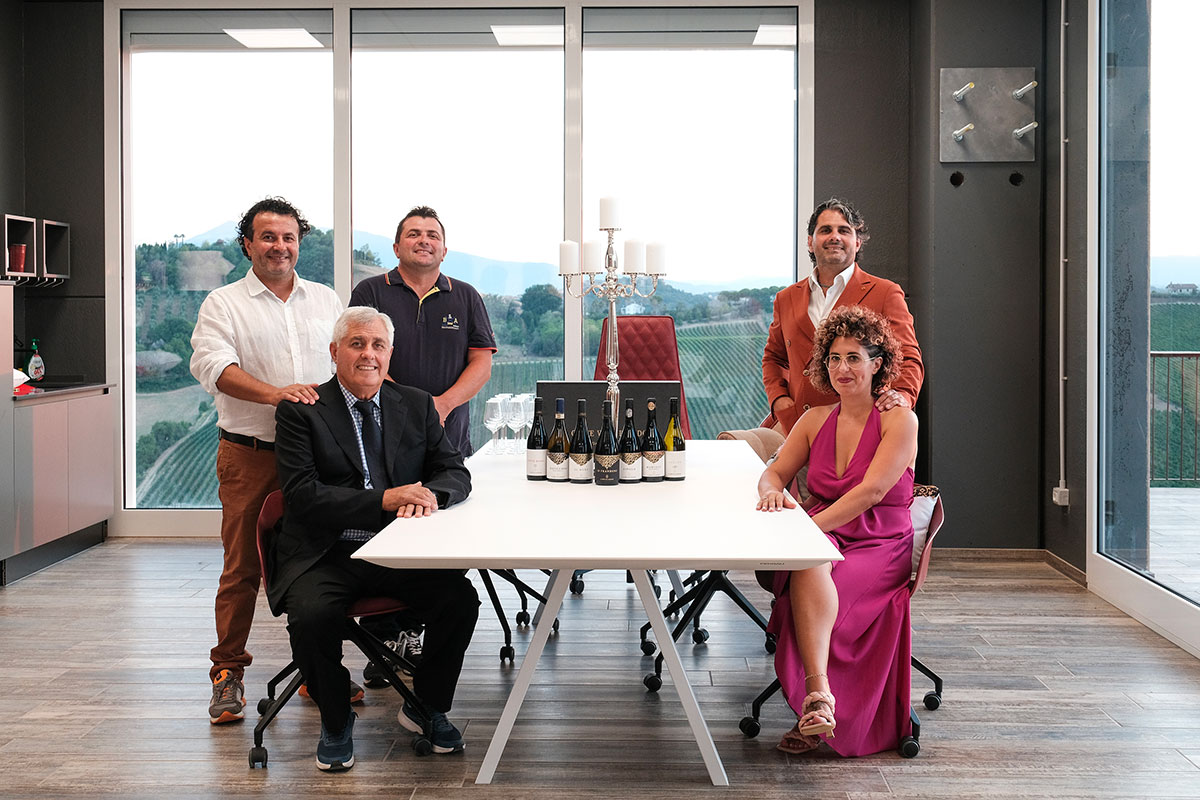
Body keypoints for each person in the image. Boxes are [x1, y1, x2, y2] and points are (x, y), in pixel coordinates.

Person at [269, 306, 479, 771]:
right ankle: (335, 719)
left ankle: (425, 705)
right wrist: (384, 499)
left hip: (398, 551)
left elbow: (454, 471)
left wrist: (431, 495)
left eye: (378, 345)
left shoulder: (416, 404)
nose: (369, 354)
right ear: (334, 352)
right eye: (357, 344)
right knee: (311, 615)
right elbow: (302, 496)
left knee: (460, 600)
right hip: (328, 551)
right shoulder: (301, 411)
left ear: (390, 354)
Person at [190, 196, 344, 724]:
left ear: (300, 243)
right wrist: (277, 395)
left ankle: (319, 671)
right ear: (248, 244)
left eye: (288, 237)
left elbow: (347, 363)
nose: (280, 246)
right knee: (242, 567)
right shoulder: (223, 303)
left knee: (324, 560)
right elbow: (214, 368)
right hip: (250, 454)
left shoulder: (326, 299)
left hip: (318, 457)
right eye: (269, 237)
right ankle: (227, 671)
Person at [756, 305, 919, 757]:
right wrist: (771, 491)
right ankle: (819, 699)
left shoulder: (900, 419)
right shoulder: (813, 419)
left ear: (877, 364)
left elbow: (871, 492)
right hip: (827, 532)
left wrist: (806, 528)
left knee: (813, 570)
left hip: (880, 541)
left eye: (853, 358)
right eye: (833, 358)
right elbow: (774, 472)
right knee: (811, 562)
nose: (842, 368)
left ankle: (819, 707)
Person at [348, 205, 496, 686]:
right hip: (378, 437)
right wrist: (408, 406)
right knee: (386, 533)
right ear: (396, 247)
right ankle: (383, 638)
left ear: (444, 248)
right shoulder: (370, 292)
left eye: (432, 234)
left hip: (447, 439)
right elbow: (362, 355)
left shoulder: (465, 295)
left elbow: (481, 361)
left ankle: (415, 630)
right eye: (413, 233)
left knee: (439, 536)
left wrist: (443, 405)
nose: (423, 240)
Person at [762, 198, 923, 434]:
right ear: (810, 242)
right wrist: (779, 400)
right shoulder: (785, 298)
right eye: (825, 230)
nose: (834, 237)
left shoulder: (886, 292)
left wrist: (902, 396)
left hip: (860, 428)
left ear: (857, 243)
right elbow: (774, 358)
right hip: (797, 426)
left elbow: (908, 357)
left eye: (844, 230)